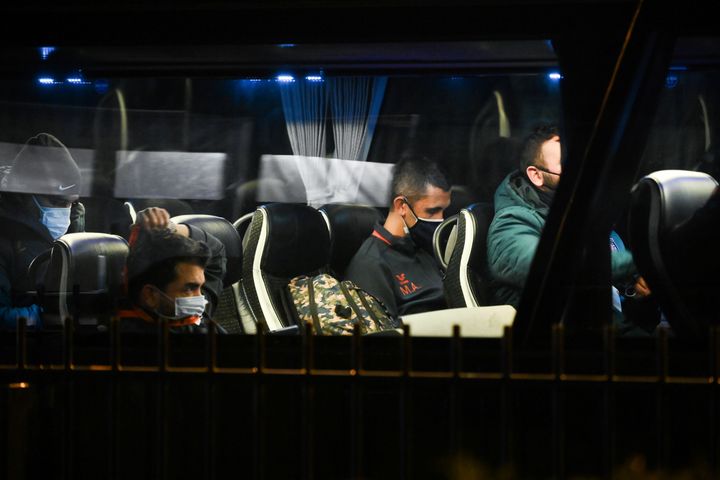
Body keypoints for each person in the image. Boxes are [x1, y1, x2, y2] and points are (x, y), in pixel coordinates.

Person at [486, 124, 651, 331]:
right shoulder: (510, 225)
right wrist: (639, 263)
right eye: (568, 164)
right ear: (536, 175)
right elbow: (553, 266)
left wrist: (633, 283)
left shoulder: (577, 215)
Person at [344, 154, 451, 319]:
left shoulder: (427, 247)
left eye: (443, 211)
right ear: (402, 206)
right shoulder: (371, 264)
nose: (440, 220)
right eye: (431, 211)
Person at [0, 132, 85, 329]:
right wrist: (47, 316)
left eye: (71, 203)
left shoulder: (75, 224)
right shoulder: (4, 235)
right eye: (56, 202)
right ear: (26, 194)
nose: (64, 212)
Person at [117, 206, 227, 333]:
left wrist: (171, 229)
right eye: (189, 288)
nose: (201, 298)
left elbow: (216, 252)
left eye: (200, 287)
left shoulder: (188, 314)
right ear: (150, 295)